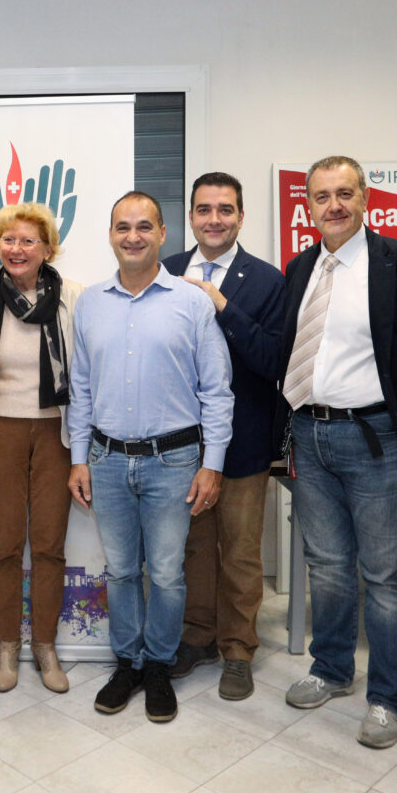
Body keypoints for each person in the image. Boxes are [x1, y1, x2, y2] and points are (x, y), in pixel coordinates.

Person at [277, 156, 397, 748]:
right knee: (326, 566)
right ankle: (331, 669)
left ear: (364, 197)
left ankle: (388, 697)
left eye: (344, 193)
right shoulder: (300, 267)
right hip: (311, 436)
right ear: (307, 205)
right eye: (321, 196)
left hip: (377, 441)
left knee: (386, 576)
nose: (334, 205)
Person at [67, 190, 234, 724]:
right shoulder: (90, 302)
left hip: (175, 461)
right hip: (107, 460)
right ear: (111, 235)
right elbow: (81, 390)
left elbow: (217, 391)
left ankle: (159, 665)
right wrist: (78, 458)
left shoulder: (191, 302)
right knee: (119, 571)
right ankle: (128, 664)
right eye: (122, 227)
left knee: (165, 573)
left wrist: (214, 464)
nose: (133, 236)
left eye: (144, 227)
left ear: (163, 234)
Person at [162, 172, 285, 700]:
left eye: (226, 210)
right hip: (178, 442)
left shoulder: (266, 280)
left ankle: (237, 648)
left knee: (238, 550)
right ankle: (197, 637)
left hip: (244, 440)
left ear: (240, 216)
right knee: (191, 548)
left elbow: (273, 359)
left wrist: (220, 304)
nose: (215, 219)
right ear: (190, 216)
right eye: (205, 209)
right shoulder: (164, 272)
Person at [0, 202, 83, 693]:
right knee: (5, 544)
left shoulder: (74, 298)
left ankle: (45, 646)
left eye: (29, 240)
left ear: (48, 249)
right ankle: (8, 644)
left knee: (49, 545)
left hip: (57, 432)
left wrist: (82, 451)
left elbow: (86, 378)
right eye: (9, 240)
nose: (17, 248)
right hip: (0, 432)